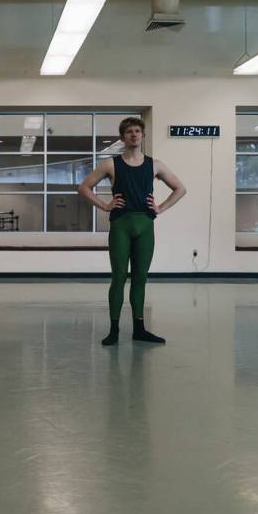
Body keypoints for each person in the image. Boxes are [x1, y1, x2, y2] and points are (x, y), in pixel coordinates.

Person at [77, 117, 186, 346]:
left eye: (137, 131)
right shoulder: (110, 164)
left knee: (140, 278)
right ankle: (114, 329)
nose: (134, 135)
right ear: (122, 137)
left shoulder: (155, 165)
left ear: (143, 136)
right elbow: (84, 187)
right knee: (118, 278)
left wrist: (160, 208)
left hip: (145, 225)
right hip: (121, 226)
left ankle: (139, 329)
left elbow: (180, 188)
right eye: (129, 132)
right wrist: (105, 205)